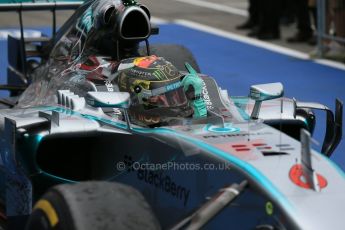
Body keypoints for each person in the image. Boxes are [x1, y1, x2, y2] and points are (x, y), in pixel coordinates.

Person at [116, 55, 207, 126]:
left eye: (177, 93)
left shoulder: (174, 116)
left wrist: (196, 99)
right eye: (164, 96)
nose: (174, 103)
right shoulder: (113, 120)